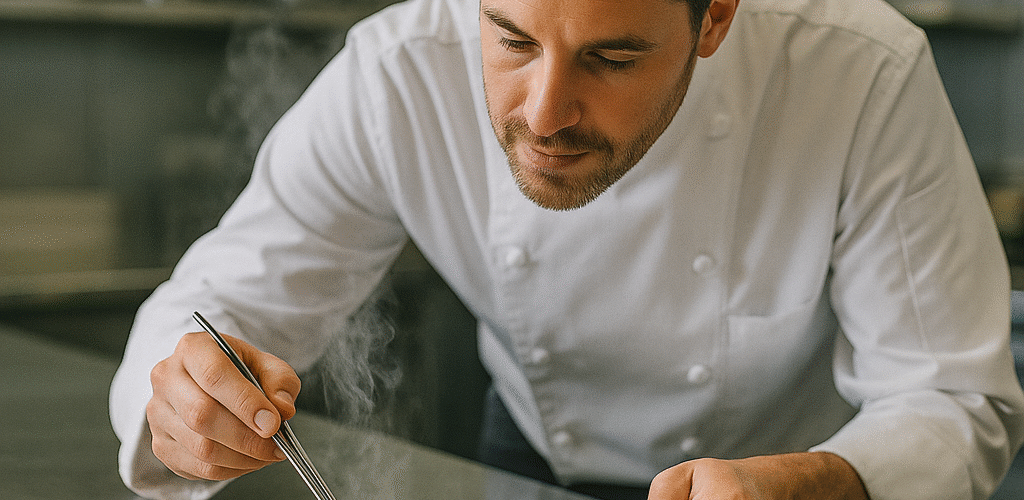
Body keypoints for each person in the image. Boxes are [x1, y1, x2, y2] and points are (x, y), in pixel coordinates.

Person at [109, 0, 1024, 498]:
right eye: (511, 39)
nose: (543, 115)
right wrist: (188, 398)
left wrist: (830, 483)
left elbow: (949, 398)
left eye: (612, 59)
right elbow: (213, 308)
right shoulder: (395, 74)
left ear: (714, 19)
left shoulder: (861, 73)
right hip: (535, 460)